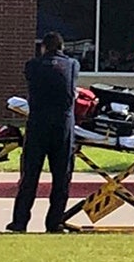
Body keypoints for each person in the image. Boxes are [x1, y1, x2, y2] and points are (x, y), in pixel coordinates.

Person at [9, 32, 80, 234]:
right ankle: (54, 222)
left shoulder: (32, 65)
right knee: (62, 177)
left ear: (43, 48)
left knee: (30, 176)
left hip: (38, 124)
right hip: (63, 125)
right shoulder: (72, 65)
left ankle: (20, 222)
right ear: (62, 47)